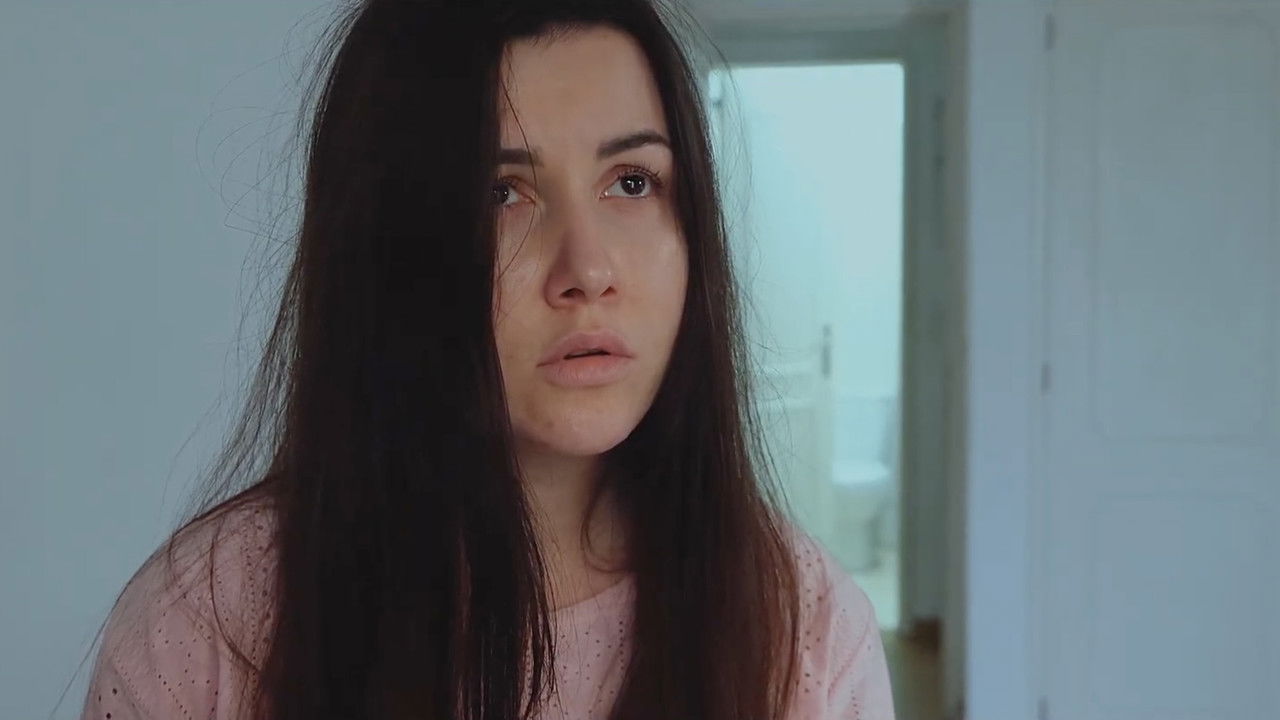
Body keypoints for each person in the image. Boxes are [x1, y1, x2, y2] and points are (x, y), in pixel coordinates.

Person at [78, 1, 895, 718]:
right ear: (385, 247)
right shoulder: (207, 625)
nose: (589, 271)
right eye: (501, 193)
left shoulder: (806, 626)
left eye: (631, 183)